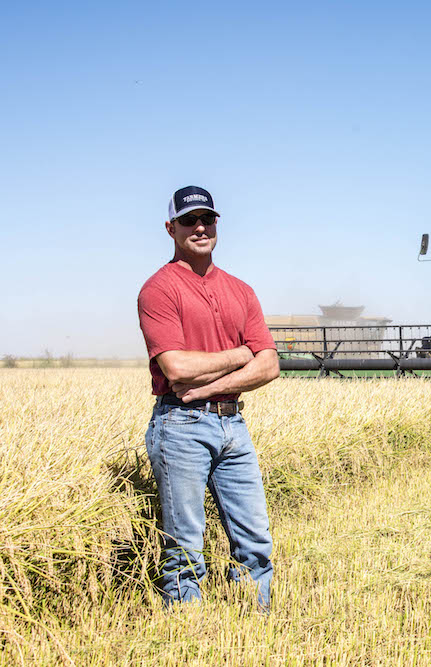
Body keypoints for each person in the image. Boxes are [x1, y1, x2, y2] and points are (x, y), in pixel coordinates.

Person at [137, 185, 279, 611]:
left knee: (255, 539)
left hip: (233, 422)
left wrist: (215, 384)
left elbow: (270, 364)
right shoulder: (158, 289)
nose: (199, 227)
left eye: (207, 219)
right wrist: (240, 356)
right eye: (188, 220)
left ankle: (257, 622)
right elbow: (176, 369)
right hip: (180, 425)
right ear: (170, 228)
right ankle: (189, 634)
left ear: (217, 224)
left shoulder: (240, 290)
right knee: (184, 546)